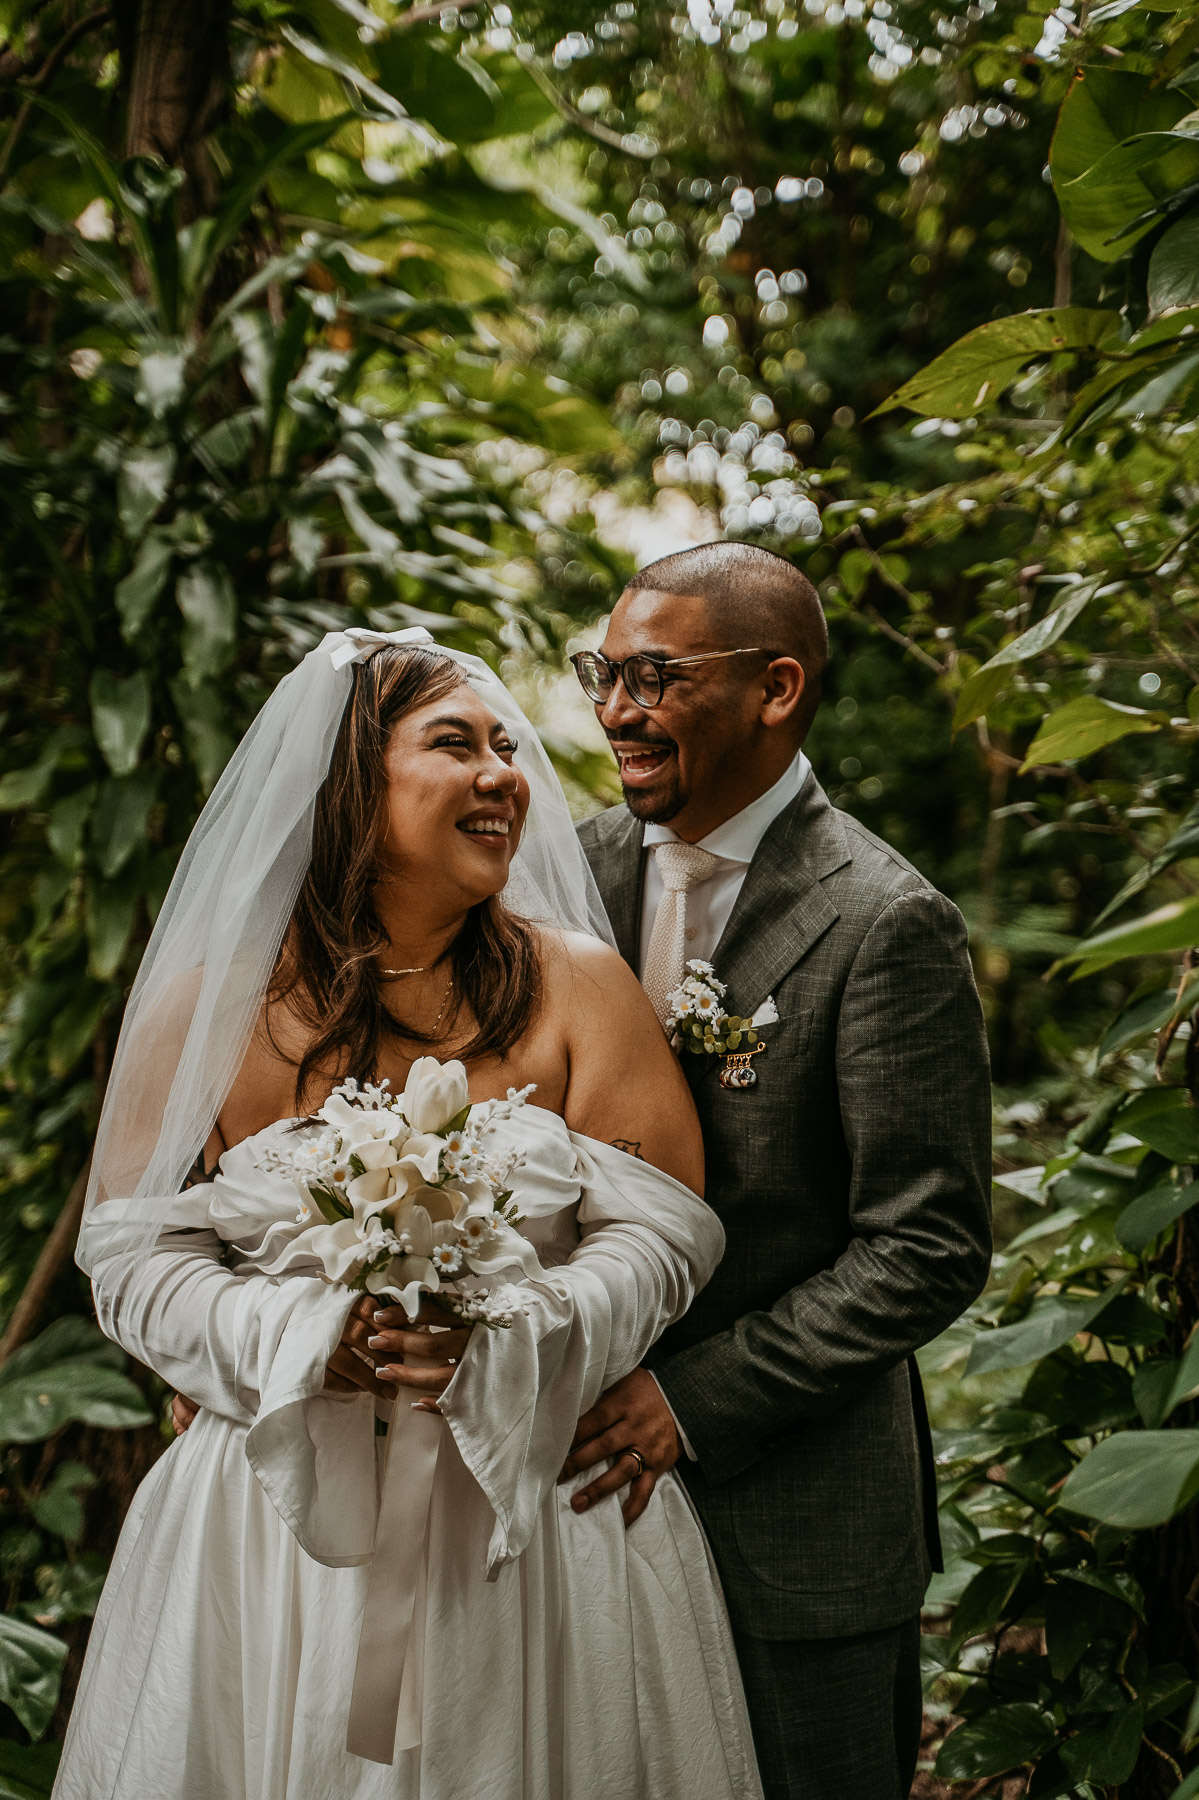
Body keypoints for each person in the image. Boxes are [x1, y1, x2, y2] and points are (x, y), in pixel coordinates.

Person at [53, 629, 763, 1800]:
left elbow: (663, 1236)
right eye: (454, 744)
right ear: (349, 784)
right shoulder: (213, 1007)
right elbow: (135, 1251)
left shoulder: (577, 980)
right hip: (272, 1525)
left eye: (505, 746)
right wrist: (284, 1345)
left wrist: (514, 1334)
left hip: (531, 1519)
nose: (502, 775)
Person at [566, 542, 993, 1800]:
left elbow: (926, 1245)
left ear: (776, 687)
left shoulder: (883, 920)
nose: (613, 711)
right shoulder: (562, 872)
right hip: (566, 1499)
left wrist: (689, 1403)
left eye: (653, 676)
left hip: (792, 1514)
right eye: (603, 672)